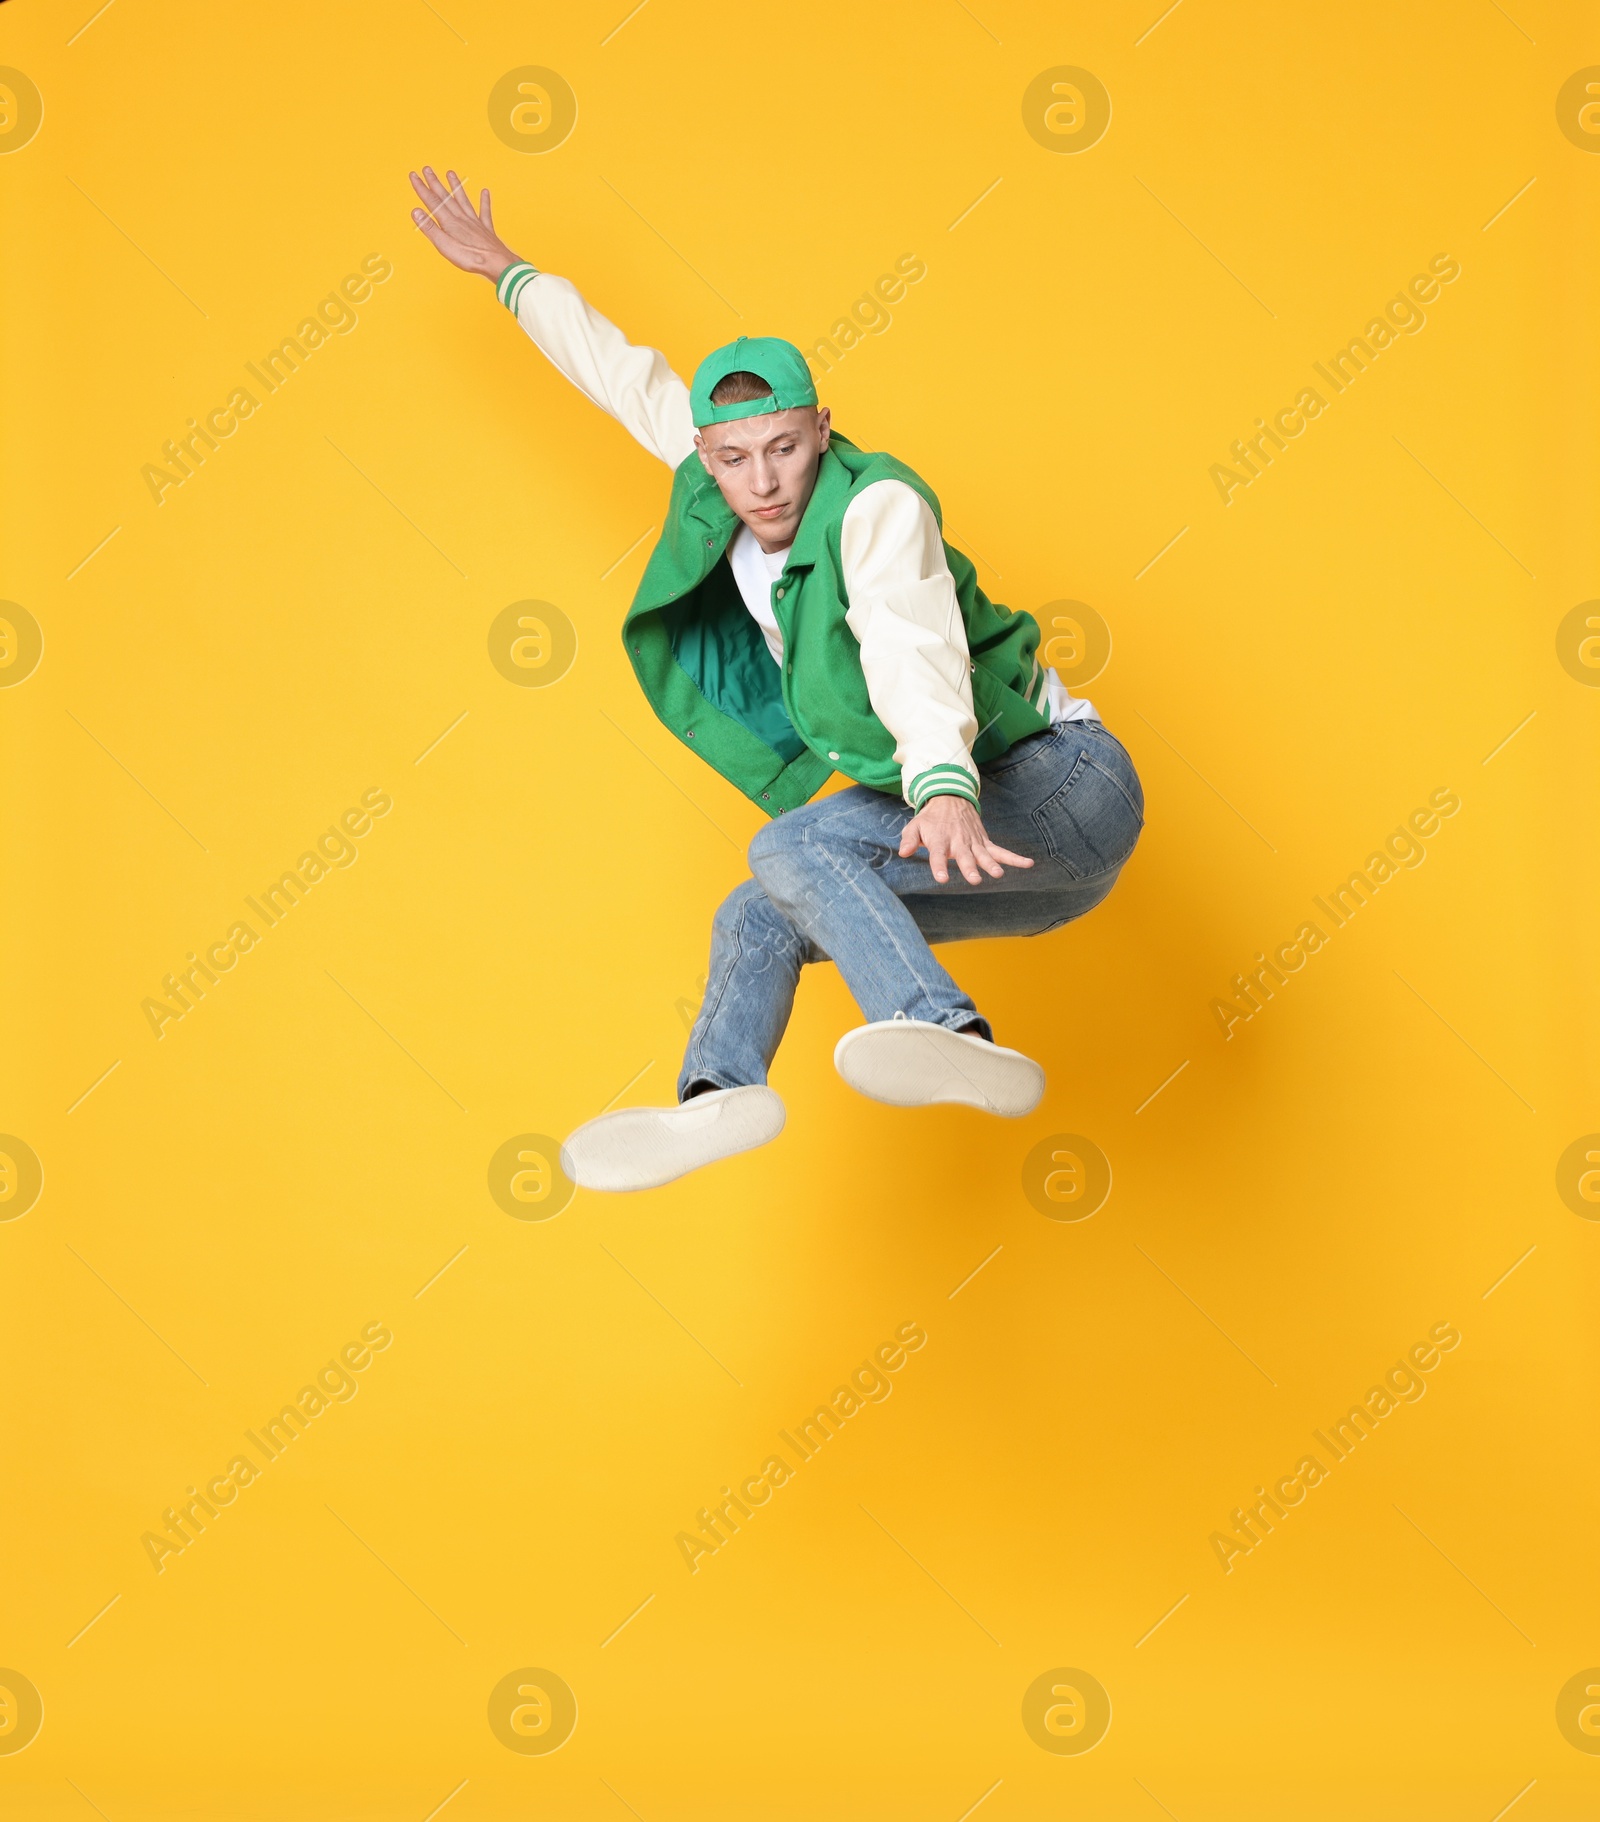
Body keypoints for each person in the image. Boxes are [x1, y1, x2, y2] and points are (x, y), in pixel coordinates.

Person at [408, 167, 1145, 1193]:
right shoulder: (717, 473)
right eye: (733, 457)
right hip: (1029, 880)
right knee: (755, 911)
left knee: (789, 841)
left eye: (786, 451)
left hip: (1061, 788)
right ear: (708, 453)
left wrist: (938, 781)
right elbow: (629, 379)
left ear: (821, 429)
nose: (760, 483)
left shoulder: (875, 507)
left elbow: (908, 637)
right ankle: (717, 1097)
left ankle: (942, 1026)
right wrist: (509, 273)